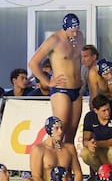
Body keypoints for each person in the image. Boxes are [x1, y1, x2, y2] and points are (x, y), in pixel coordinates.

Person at [29, 13, 83, 143]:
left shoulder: (79, 36)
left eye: (76, 30)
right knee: (58, 133)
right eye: (72, 31)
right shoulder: (54, 40)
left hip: (77, 90)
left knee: (71, 137)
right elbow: (33, 63)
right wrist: (47, 81)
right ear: (65, 28)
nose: (75, 34)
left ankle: (67, 163)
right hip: (61, 91)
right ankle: (51, 162)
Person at [81, 94, 112, 180]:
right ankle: (101, 175)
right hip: (101, 149)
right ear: (96, 111)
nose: (108, 112)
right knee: (85, 153)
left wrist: (98, 143)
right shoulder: (90, 117)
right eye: (104, 111)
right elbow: (85, 140)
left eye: (108, 109)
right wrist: (89, 144)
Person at [30, 116, 83, 181]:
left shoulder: (69, 148)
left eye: (61, 128)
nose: (60, 131)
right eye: (57, 128)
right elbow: (36, 177)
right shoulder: (38, 149)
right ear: (49, 130)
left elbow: (78, 173)